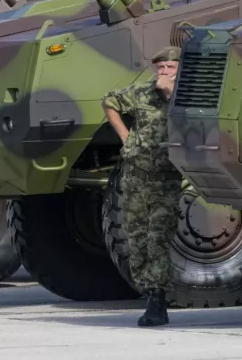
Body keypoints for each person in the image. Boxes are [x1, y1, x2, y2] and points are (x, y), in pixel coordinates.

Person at [101, 46, 183, 327]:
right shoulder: (142, 92)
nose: (165, 72)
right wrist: (126, 137)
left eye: (171, 68)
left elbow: (190, 122)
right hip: (136, 176)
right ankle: (147, 292)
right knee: (136, 237)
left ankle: (158, 299)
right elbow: (110, 101)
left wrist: (170, 93)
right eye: (161, 68)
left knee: (157, 236)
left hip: (166, 178)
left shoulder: (185, 95)